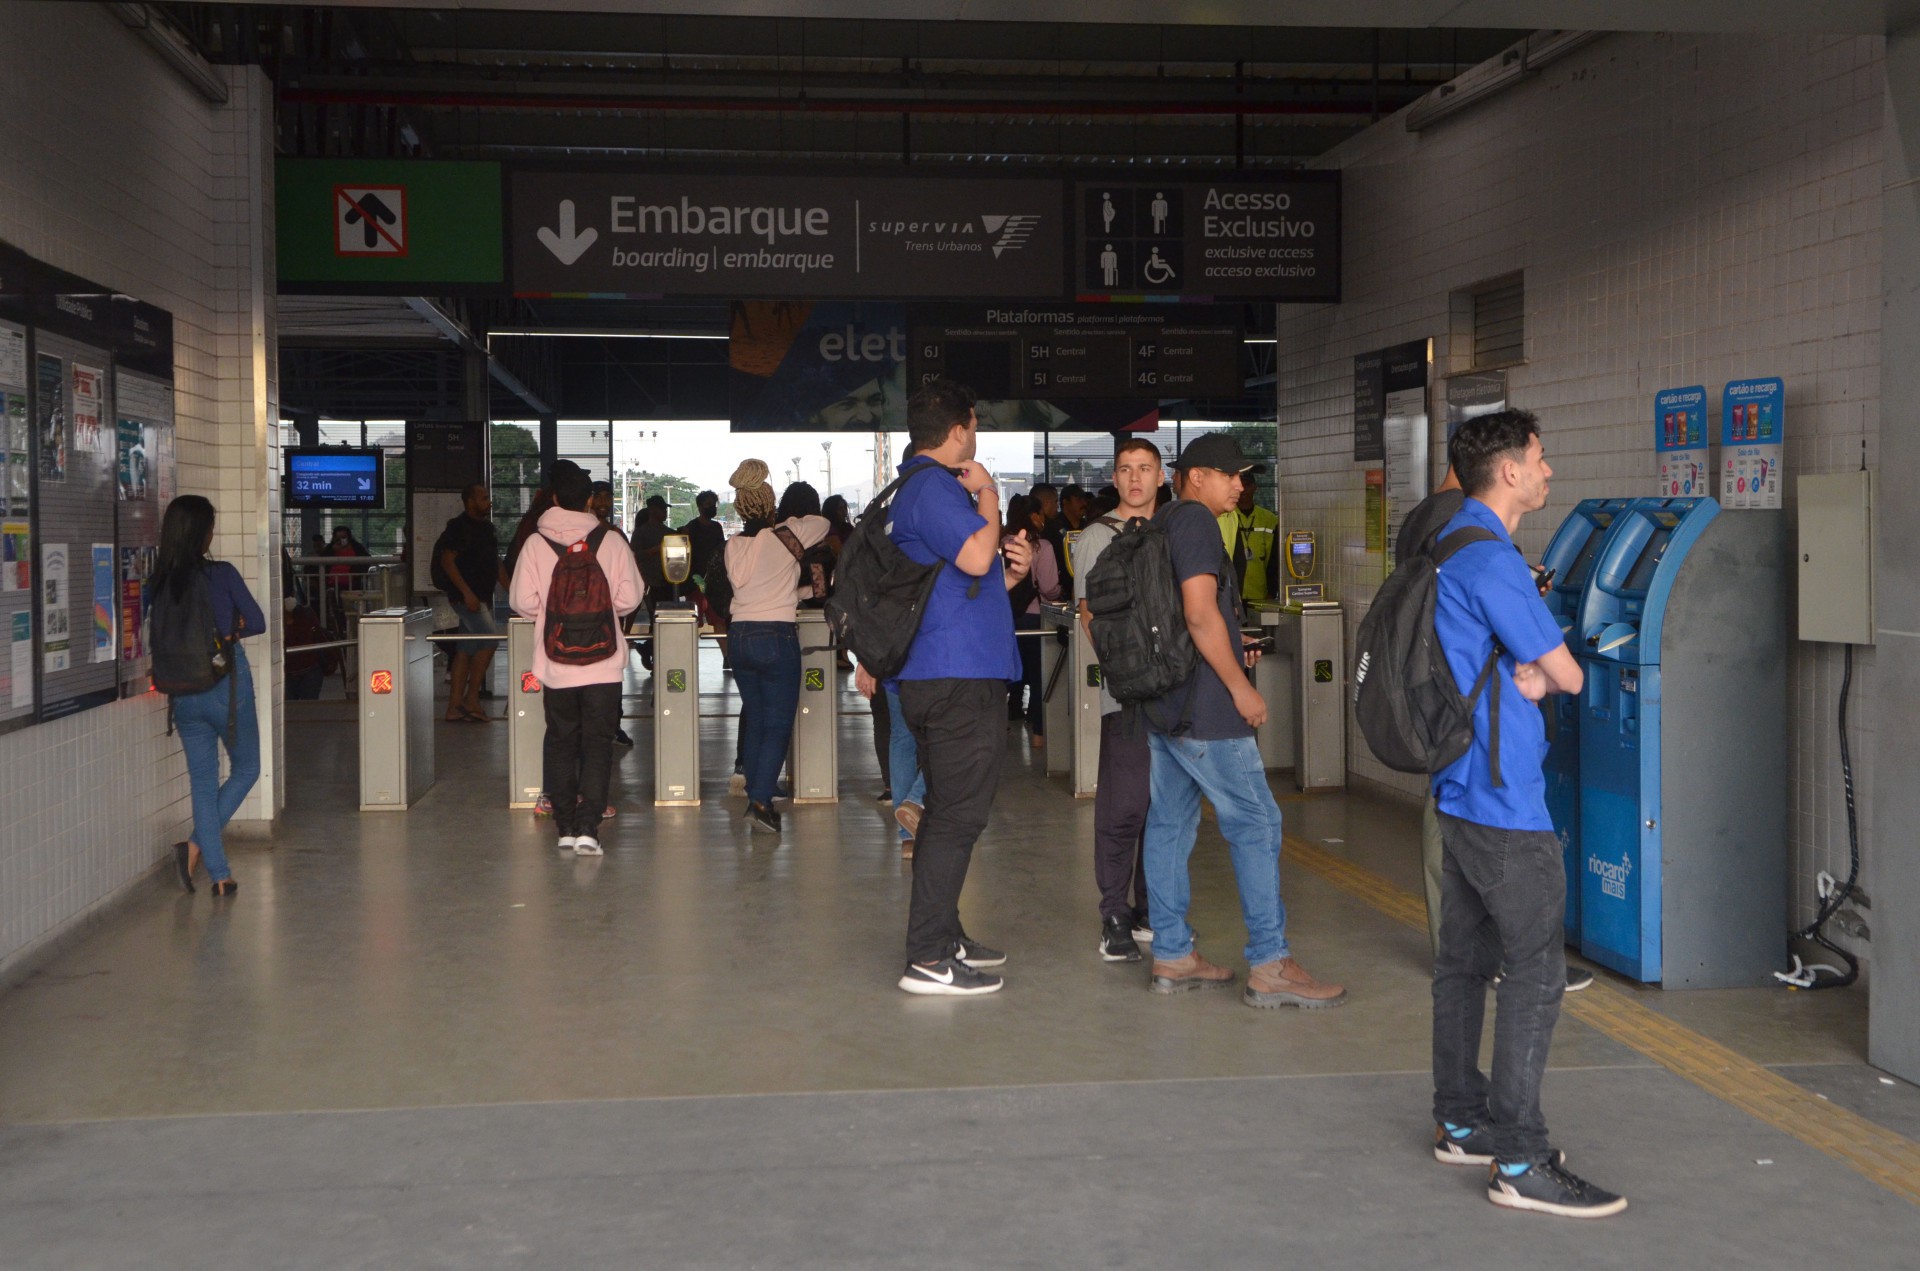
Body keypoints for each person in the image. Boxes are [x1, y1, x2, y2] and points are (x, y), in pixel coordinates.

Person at [1425, 410, 1624, 1217]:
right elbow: (1570, 676)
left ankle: (1461, 1120)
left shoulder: (1452, 543)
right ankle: (1521, 1157)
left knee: (1463, 963)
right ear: (1508, 471)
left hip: (1457, 786)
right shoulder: (1496, 565)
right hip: (1505, 796)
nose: (1547, 470)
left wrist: (1533, 671)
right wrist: (1546, 674)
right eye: (1541, 458)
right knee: (1536, 972)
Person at [1139, 433, 1346, 1010]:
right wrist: (1239, 687)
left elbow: (1192, 619)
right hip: (1207, 710)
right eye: (1230, 475)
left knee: (1171, 826)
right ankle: (1270, 963)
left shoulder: (1160, 524)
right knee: (1257, 824)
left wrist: (1234, 643)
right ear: (1196, 476)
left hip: (1166, 705)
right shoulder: (1198, 523)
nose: (1240, 485)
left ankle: (1174, 954)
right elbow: (1200, 614)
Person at [888, 378, 1032, 996]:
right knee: (955, 818)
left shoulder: (917, 491)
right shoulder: (933, 488)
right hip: (953, 678)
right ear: (960, 430)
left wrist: (1009, 571)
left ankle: (943, 935)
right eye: (974, 426)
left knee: (950, 812)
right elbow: (975, 558)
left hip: (947, 668)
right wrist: (992, 499)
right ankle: (927, 956)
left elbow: (969, 582)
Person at [510, 464, 644, 857]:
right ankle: (589, 830)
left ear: (553, 499)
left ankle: (565, 828)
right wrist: (600, 612)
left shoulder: (536, 544)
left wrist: (553, 615)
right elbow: (629, 598)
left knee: (560, 740)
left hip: (556, 662)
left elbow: (521, 602)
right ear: (589, 500)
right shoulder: (611, 540)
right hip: (603, 663)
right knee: (598, 744)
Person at [150, 495, 263, 897]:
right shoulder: (222, 574)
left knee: (202, 779)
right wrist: (232, 631)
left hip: (180, 691)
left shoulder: (158, 580)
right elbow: (259, 622)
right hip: (223, 685)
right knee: (246, 769)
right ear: (203, 533)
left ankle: (218, 875)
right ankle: (196, 847)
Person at [1075, 438, 1162, 961]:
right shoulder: (1096, 536)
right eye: (1126, 469)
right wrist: (1126, 670)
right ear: (1115, 476)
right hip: (1126, 695)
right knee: (1124, 806)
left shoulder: (1170, 531)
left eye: (1144, 468)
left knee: (1164, 807)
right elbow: (1089, 615)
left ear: (1160, 475)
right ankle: (1114, 914)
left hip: (1169, 695)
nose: (1135, 478)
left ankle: (1152, 907)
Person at [723, 475, 829, 835]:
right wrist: (783, 518)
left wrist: (794, 593)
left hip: (740, 634)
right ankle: (762, 801)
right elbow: (823, 522)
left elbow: (763, 590)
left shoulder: (733, 545)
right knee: (778, 724)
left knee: (755, 717)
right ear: (770, 504)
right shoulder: (784, 537)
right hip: (775, 635)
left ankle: (756, 790)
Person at [434, 483, 506, 723]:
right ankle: (472, 699)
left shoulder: (487, 528)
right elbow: (447, 561)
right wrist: (467, 593)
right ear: (470, 501)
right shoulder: (458, 528)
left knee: (465, 650)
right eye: (484, 498)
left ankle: (454, 707)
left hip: (479, 597)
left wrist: (513, 590)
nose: (489, 502)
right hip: (468, 599)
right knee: (490, 641)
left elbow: (495, 564)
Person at [1004, 494, 1059, 749]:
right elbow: (1049, 589)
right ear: (1033, 516)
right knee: (1038, 677)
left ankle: (1009, 714)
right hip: (1035, 618)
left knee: (1009, 672)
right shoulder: (1042, 547)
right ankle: (1038, 733)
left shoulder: (999, 543)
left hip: (1005, 618)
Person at [631, 494, 671, 669]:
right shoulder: (641, 533)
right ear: (653, 510)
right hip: (650, 583)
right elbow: (635, 556)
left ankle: (651, 651)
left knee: (664, 622)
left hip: (667, 583)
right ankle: (651, 652)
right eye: (662, 509)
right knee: (656, 620)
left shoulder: (669, 533)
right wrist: (656, 550)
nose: (665, 513)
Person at [1230, 478, 1281, 604]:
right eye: (1241, 485)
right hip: (1233, 594)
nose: (1243, 490)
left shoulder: (1269, 519)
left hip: (1261, 593)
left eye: (1247, 485)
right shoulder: (1226, 515)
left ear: (1255, 487)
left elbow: (1275, 559)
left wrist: (1272, 591)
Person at [284, 595, 337, 700]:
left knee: (290, 709)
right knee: (309, 707)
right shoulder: (307, 615)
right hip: (310, 668)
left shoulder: (277, 621)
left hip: (292, 671)